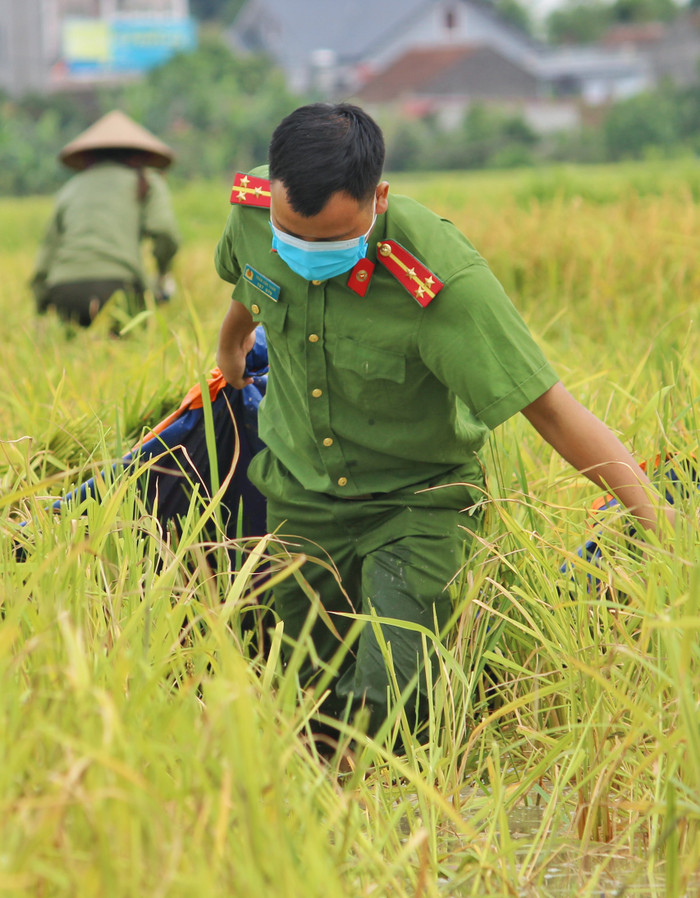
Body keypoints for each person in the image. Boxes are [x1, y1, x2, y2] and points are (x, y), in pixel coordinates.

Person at [214, 103, 671, 736]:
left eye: (332, 244)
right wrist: (232, 342)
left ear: (379, 198)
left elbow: (550, 409)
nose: (306, 256)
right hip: (299, 494)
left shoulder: (440, 280)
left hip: (413, 505)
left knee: (389, 712)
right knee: (301, 699)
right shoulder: (254, 210)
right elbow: (253, 279)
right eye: (294, 237)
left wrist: (661, 526)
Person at [31, 110, 180, 327]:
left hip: (64, 292)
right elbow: (165, 232)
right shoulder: (147, 182)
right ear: (140, 155)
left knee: (73, 355)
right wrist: (162, 273)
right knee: (131, 347)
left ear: (88, 156)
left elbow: (45, 258)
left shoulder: (71, 188)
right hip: (119, 289)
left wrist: (41, 306)